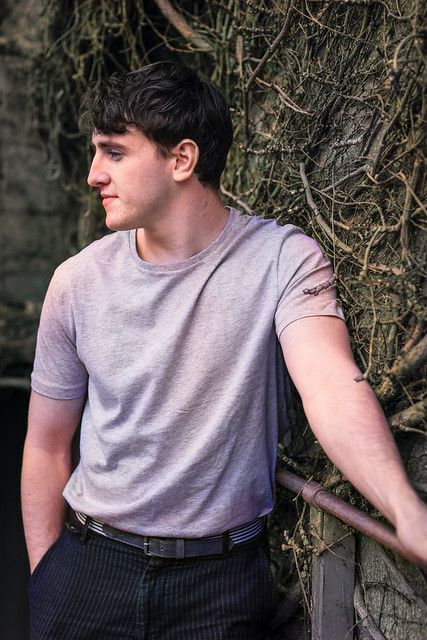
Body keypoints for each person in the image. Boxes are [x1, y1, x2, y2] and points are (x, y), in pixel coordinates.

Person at [21, 61, 427, 640]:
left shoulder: (283, 261)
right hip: (90, 569)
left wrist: (405, 510)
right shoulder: (77, 282)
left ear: (182, 159)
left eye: (114, 153)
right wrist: (48, 577)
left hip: (219, 585)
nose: (93, 175)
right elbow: (45, 444)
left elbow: (332, 387)